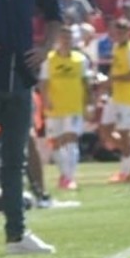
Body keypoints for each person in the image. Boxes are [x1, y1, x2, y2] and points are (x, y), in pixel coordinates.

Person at [0, 0, 62, 254]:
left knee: (14, 158)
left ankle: (16, 236)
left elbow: (55, 15)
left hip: (20, 77)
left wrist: (46, 48)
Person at [38, 29, 89, 192]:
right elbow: (43, 83)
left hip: (74, 107)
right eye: (63, 37)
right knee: (56, 142)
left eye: (69, 37)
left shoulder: (80, 60)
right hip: (55, 108)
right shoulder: (49, 60)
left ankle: (69, 177)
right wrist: (46, 101)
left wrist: (89, 104)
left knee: (71, 139)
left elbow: (85, 83)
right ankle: (64, 175)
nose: (66, 40)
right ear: (58, 40)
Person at [103, 18, 130, 183]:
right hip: (116, 96)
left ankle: (126, 171)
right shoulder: (116, 47)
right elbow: (115, 69)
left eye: (123, 31)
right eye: (117, 30)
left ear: (129, 32)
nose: (119, 34)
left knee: (124, 133)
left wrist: (114, 79)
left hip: (127, 98)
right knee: (105, 131)